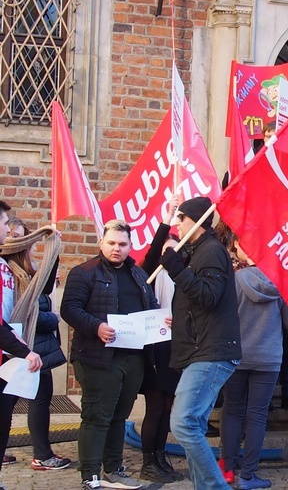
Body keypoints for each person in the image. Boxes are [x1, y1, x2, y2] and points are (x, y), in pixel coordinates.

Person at [61, 219, 160, 489]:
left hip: (133, 357)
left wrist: (161, 320)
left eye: (123, 244)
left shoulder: (139, 275)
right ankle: (90, 474)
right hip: (97, 356)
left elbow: (151, 306)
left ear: (130, 246)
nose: (117, 249)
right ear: (101, 243)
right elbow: (69, 308)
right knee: (97, 415)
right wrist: (97, 327)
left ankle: (114, 468)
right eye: (112, 243)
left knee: (119, 416)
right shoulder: (84, 272)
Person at [159, 197, 242, 489]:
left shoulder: (211, 251)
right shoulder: (197, 252)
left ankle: (216, 486)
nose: (176, 224)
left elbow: (208, 295)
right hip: (201, 350)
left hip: (212, 352)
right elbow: (201, 304)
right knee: (192, 424)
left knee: (182, 422)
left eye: (180, 218)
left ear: (196, 220)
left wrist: (177, 270)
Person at [221, 235, 288, 490]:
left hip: (236, 354)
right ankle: (248, 475)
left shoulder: (234, 280)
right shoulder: (281, 284)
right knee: (257, 416)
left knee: (232, 411)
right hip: (268, 359)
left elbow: (223, 317)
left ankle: (229, 470)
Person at [3, 219, 66, 472]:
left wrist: (54, 256)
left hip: (33, 347)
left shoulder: (28, 270)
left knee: (35, 399)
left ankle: (39, 452)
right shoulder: (10, 272)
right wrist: (55, 318)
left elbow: (45, 291)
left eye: (19, 235)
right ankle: (42, 454)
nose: (14, 240)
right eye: (10, 234)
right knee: (31, 401)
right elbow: (29, 314)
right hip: (21, 346)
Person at [137, 199, 182, 484]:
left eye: (175, 248)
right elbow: (153, 255)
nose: (170, 251)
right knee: (155, 405)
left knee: (167, 406)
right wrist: (167, 220)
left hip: (174, 347)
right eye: (167, 247)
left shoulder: (181, 277)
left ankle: (160, 454)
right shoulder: (149, 273)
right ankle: (148, 461)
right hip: (154, 346)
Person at [0, 202, 43, 490]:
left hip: (6, 358)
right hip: (9, 351)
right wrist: (24, 350)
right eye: (5, 224)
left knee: (3, 425)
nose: (8, 230)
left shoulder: (4, 265)